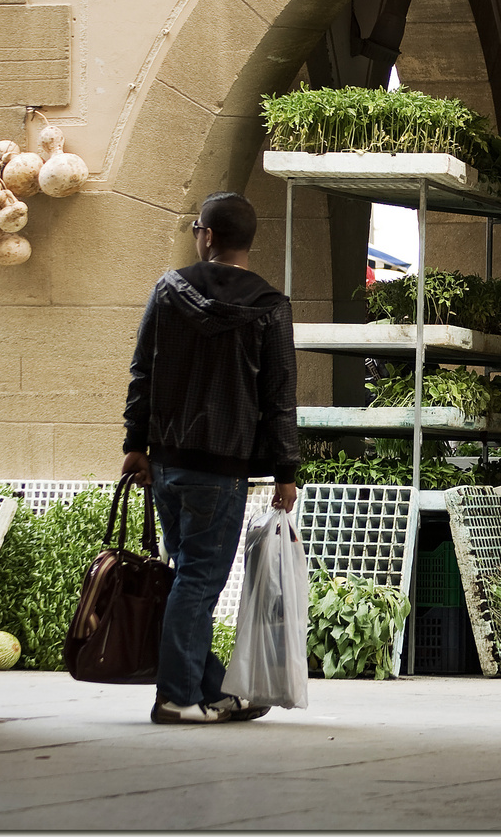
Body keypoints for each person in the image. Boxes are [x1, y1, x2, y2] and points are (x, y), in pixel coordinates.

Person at [121, 191, 300, 725]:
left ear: (209, 236)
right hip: (220, 468)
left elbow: (141, 373)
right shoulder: (270, 306)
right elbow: (279, 396)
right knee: (198, 579)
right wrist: (285, 471)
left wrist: (135, 444)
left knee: (186, 576)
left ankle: (208, 687)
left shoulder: (168, 291)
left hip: (169, 464)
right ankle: (177, 696)